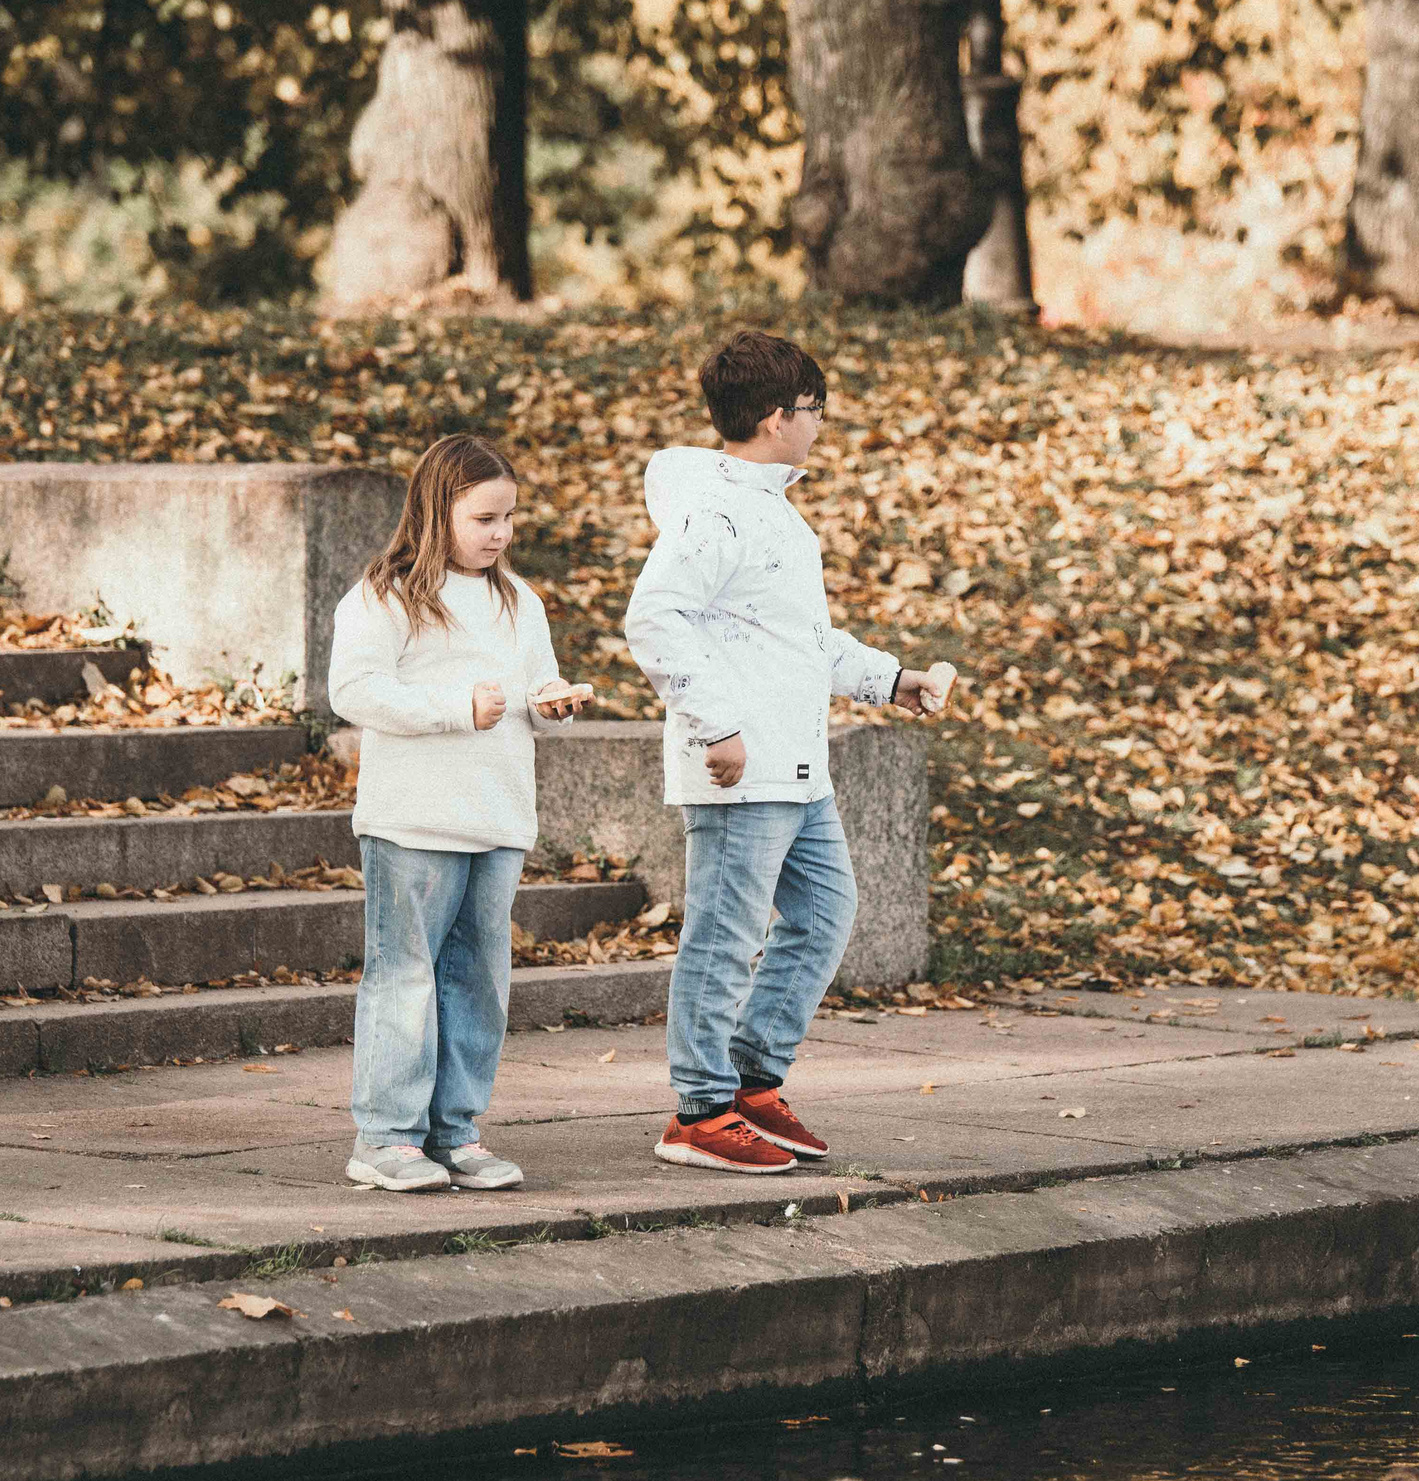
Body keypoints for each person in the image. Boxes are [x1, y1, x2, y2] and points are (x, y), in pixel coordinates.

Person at [625, 330, 952, 1173]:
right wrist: (716, 724)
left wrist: (892, 678)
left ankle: (750, 1079)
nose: (820, 425)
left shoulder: (772, 508)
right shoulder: (718, 512)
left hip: (797, 766)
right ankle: (698, 1111)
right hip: (743, 769)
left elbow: (802, 639)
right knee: (725, 934)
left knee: (825, 911)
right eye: (814, 410)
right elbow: (653, 617)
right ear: (775, 418)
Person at [327, 434, 590, 1192]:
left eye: (509, 516)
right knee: (404, 976)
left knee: (479, 979)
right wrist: (453, 707)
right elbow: (356, 690)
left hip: (498, 818)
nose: (500, 532)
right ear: (437, 509)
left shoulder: (520, 599)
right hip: (412, 821)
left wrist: (552, 703)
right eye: (483, 517)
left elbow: (532, 688)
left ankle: (456, 1129)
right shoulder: (386, 593)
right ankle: (385, 1135)